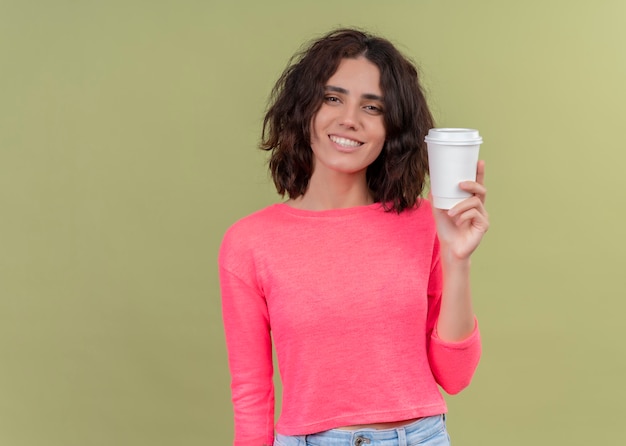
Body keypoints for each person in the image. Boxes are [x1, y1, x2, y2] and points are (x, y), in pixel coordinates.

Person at [218, 28, 489, 446]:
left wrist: (458, 260)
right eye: (332, 98)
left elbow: (455, 376)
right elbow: (252, 394)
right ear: (304, 108)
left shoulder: (426, 224)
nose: (349, 119)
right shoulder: (250, 242)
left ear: (391, 128)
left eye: (373, 107)